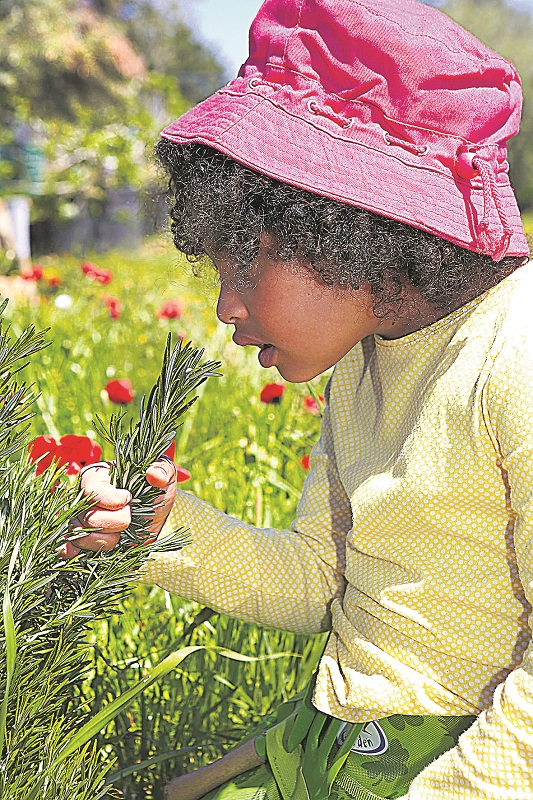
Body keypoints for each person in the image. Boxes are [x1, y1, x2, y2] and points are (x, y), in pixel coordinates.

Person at [69, 1, 533, 797]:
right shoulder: (364, 361)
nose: (224, 306)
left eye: (242, 264)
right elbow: (322, 578)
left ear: (344, 229)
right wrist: (162, 532)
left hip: (466, 755)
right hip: (342, 734)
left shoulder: (511, 359)